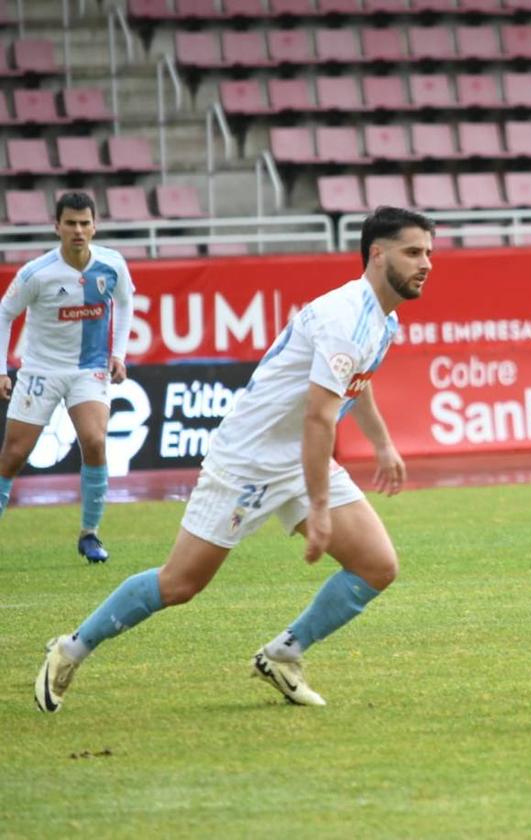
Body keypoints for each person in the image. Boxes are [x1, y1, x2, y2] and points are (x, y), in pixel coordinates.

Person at [34, 206, 434, 713]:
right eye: (414, 252)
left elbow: (359, 380)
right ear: (377, 255)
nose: (426, 264)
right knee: (180, 584)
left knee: (377, 566)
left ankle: (283, 655)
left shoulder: (382, 318)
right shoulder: (343, 317)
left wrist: (381, 443)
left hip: (296, 458)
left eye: (428, 253)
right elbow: (319, 420)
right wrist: (316, 507)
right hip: (247, 460)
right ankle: (70, 647)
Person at [0, 192, 135, 562]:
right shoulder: (36, 273)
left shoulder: (112, 265)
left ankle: (90, 534)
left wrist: (118, 354)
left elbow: (125, 303)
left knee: (94, 440)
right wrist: (1, 370)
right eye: (70, 223)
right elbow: (4, 313)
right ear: (56, 226)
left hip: (88, 369)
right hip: (41, 370)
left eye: (84, 223)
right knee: (13, 455)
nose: (78, 230)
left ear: (95, 226)